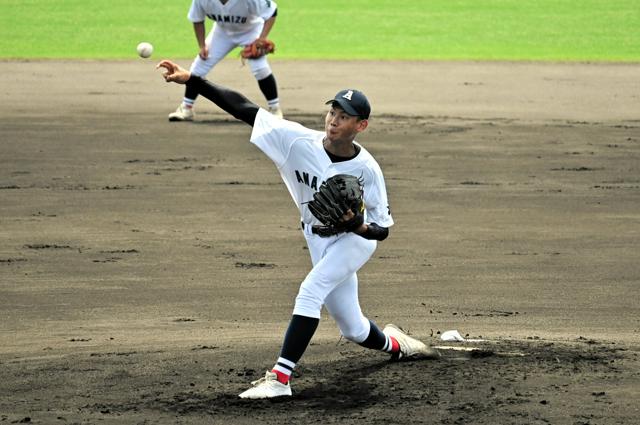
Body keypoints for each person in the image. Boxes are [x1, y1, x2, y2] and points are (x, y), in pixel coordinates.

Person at [156, 59, 439, 399]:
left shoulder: (368, 169)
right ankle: (399, 345)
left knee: (310, 290)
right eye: (332, 112)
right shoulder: (295, 141)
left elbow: (383, 229)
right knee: (353, 328)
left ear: (361, 125)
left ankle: (280, 379)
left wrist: (359, 226)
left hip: (353, 242)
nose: (334, 120)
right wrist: (194, 81)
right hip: (315, 237)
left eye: (344, 116)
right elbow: (245, 108)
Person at [168, 0, 283, 122]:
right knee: (199, 67)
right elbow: (197, 20)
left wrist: (261, 38)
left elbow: (272, 12)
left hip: (251, 31)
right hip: (222, 33)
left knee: (260, 68)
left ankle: (275, 109)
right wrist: (202, 46)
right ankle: (186, 108)